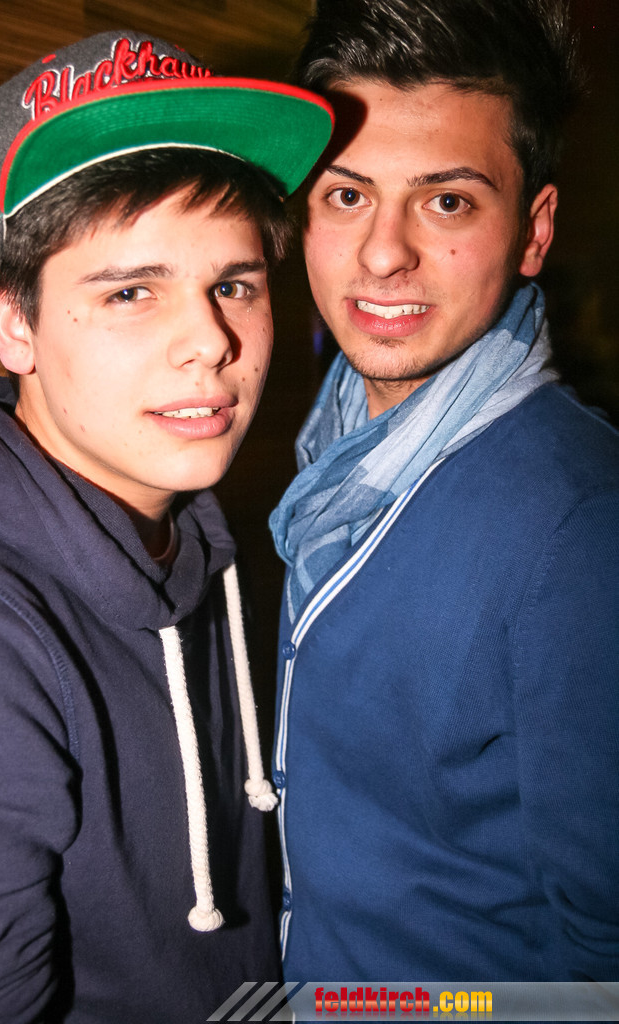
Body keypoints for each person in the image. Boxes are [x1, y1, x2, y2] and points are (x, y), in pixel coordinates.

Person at [0, 30, 332, 1023]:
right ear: (14, 321)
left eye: (233, 284)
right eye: (130, 291)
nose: (210, 341)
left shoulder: (196, 524)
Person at [270, 0, 619, 983]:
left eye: (448, 201)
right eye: (347, 195)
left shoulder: (580, 529)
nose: (384, 252)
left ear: (533, 232)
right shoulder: (333, 447)